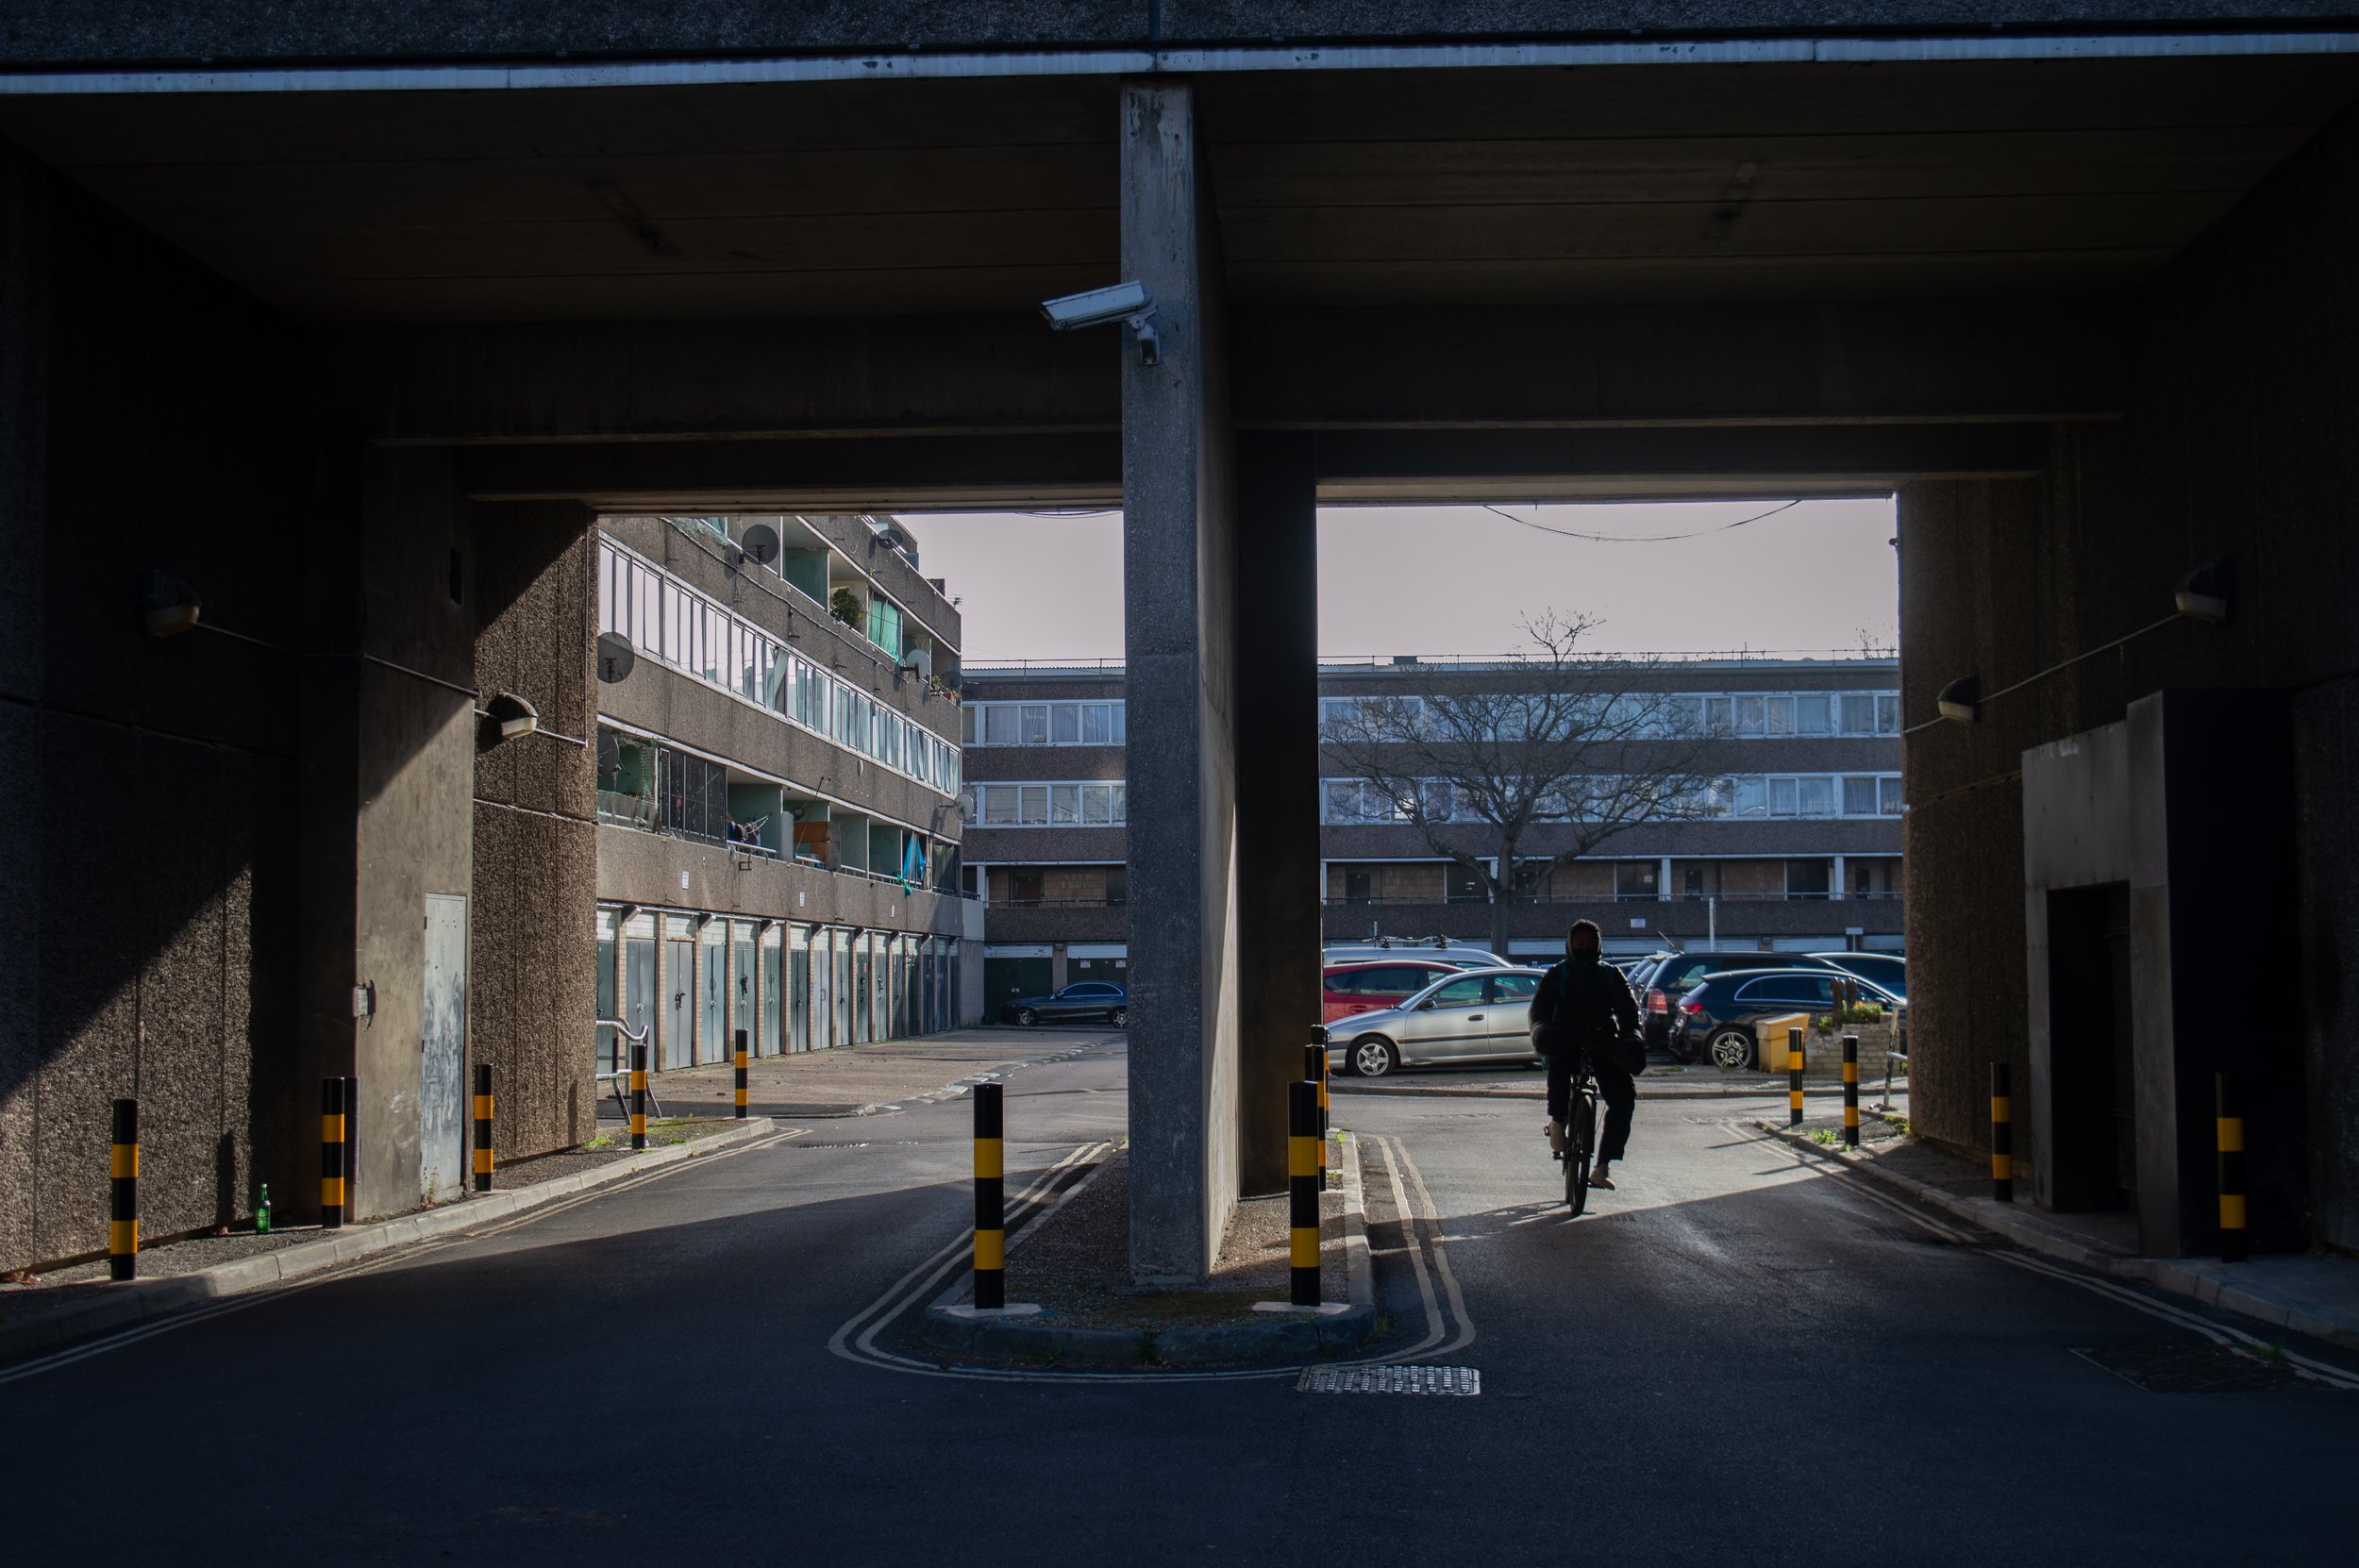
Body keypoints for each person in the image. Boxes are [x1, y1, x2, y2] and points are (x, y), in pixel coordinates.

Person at [1528, 919, 1641, 1190]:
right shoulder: (1557, 974)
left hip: (1602, 1039)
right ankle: (1557, 1122)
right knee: (1559, 1066)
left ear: (1598, 946)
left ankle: (1602, 1166)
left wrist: (1631, 1037)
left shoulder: (1611, 975)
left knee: (1624, 1097)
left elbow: (1628, 1011)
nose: (1584, 947)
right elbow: (1539, 1010)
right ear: (1570, 944)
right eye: (1579, 942)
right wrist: (1543, 1030)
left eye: (1589, 943)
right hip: (1566, 1036)